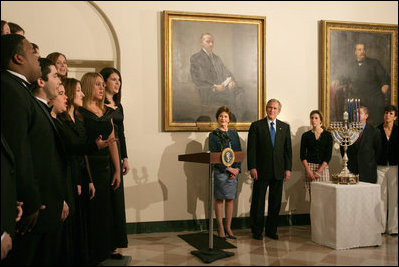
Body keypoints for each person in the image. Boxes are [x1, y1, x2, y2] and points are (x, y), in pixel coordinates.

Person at [1, 36, 67, 265]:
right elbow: (19, 151)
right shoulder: (9, 89)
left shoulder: (20, 90)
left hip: (44, 202)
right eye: (32, 52)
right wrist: (30, 200)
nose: (38, 58)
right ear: (18, 58)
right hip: (32, 208)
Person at [79, 72, 121, 265]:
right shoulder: (80, 111)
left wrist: (117, 169)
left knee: (105, 210)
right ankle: (91, 252)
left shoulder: (106, 111)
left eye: (103, 84)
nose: (102, 88)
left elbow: (113, 142)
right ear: (88, 87)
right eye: (97, 85)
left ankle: (104, 249)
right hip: (89, 165)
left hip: (105, 166)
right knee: (92, 210)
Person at [247, 99, 292, 240]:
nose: (272, 110)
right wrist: (252, 167)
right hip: (260, 170)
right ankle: (257, 230)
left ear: (279, 111)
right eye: (270, 107)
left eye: (275, 108)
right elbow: (251, 149)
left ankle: (272, 230)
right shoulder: (256, 126)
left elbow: (287, 150)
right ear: (266, 109)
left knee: (275, 202)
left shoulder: (284, 127)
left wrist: (288, 169)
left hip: (278, 170)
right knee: (258, 201)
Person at [100, 67, 129, 259]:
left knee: (117, 199)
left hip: (117, 152)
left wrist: (125, 157)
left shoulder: (118, 105)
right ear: (104, 82)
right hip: (103, 153)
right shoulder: (98, 103)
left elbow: (122, 133)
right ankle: (104, 244)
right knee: (106, 199)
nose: (117, 83)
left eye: (119, 80)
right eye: (113, 79)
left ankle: (115, 244)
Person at [190, 32, 246, 121]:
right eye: (208, 42)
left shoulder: (217, 58)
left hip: (222, 90)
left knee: (240, 91)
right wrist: (214, 87)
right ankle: (231, 123)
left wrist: (232, 81)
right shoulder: (196, 58)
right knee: (231, 98)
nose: (211, 44)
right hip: (208, 92)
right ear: (201, 43)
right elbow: (197, 80)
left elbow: (227, 72)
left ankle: (239, 122)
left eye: (212, 42)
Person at [332, 43, 390, 126]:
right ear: (355, 52)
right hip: (356, 96)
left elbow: (384, 77)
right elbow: (344, 77)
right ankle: (353, 132)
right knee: (351, 111)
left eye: (363, 49)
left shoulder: (374, 63)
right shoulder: (351, 66)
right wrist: (337, 80)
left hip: (372, 96)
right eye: (359, 50)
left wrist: (385, 84)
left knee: (378, 110)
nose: (362, 52)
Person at [209, 106, 242, 239]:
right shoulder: (213, 135)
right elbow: (214, 155)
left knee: (230, 199)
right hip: (221, 172)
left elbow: (238, 152)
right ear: (218, 118)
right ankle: (220, 227)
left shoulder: (234, 134)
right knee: (219, 199)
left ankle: (228, 227)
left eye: (225, 116)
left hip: (234, 172)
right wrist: (228, 169)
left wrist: (237, 169)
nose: (223, 118)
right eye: (221, 116)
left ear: (229, 119)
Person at [341, 106, 381, 183]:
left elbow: (378, 150)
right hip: (352, 170)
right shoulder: (348, 130)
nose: (356, 114)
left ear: (366, 116)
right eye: (355, 113)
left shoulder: (374, 131)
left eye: (360, 112)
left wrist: (370, 163)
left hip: (368, 172)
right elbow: (343, 148)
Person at [300, 110, 333, 201]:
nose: (313, 120)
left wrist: (319, 171)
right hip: (309, 167)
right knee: (313, 198)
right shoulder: (305, 135)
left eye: (316, 118)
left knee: (324, 197)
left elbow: (328, 155)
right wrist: (308, 171)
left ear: (320, 120)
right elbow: (302, 155)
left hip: (323, 168)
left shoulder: (328, 135)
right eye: (312, 118)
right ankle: (313, 215)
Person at [377, 105, 398, 235]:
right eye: (386, 113)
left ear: (395, 117)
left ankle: (393, 228)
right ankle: (380, 227)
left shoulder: (397, 130)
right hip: (380, 167)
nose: (387, 116)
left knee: (394, 197)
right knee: (380, 197)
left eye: (390, 113)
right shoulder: (377, 130)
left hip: (394, 167)